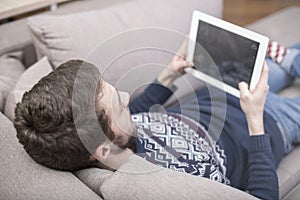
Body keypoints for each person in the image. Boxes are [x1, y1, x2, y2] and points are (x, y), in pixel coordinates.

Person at [14, 40, 300, 200]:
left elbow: (136, 110)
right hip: (267, 121)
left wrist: (169, 74)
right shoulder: (169, 188)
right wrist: (255, 118)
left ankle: (289, 59)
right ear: (102, 150)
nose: (126, 96)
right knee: (289, 60)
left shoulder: (110, 140)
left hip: (221, 94)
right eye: (119, 105)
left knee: (286, 55)